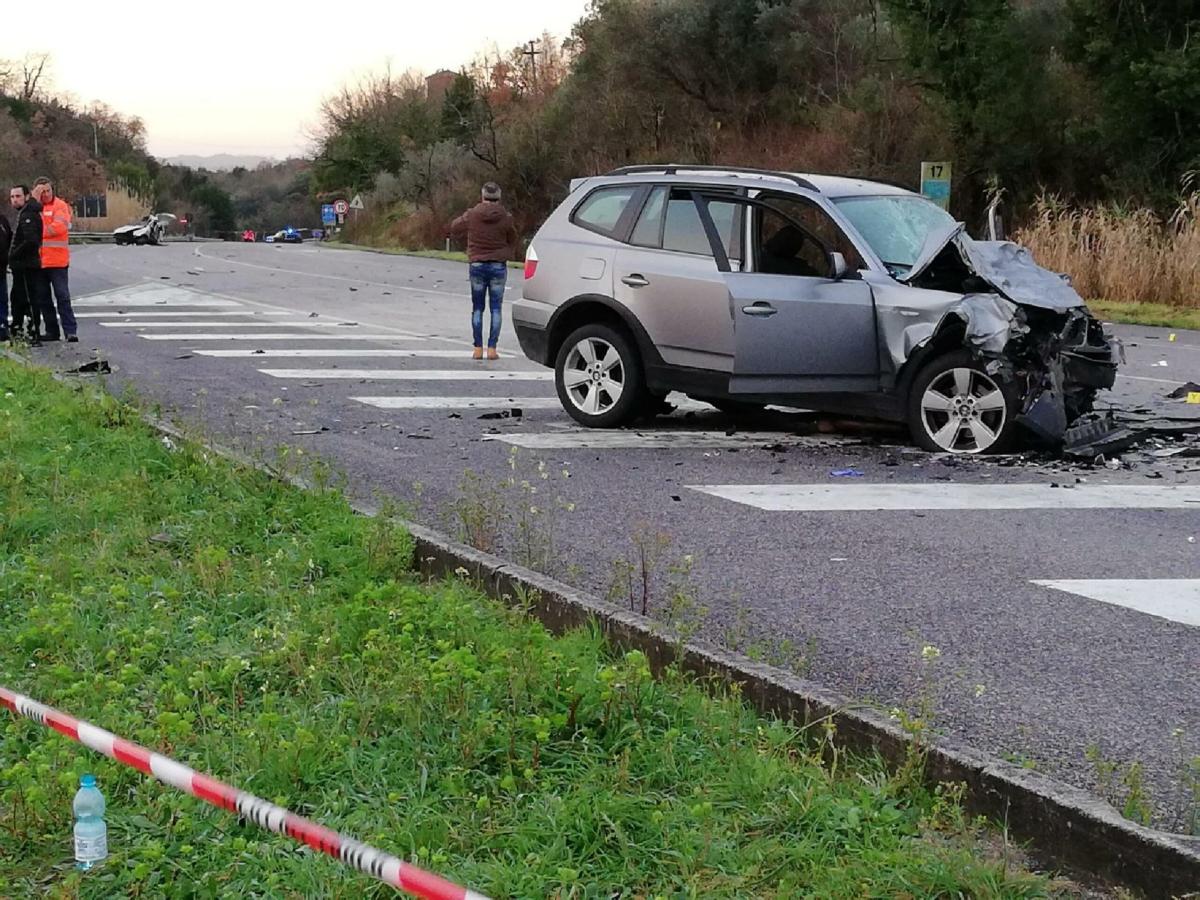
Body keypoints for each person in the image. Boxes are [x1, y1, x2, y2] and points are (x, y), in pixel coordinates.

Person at [448, 182, 518, 360]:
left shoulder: (472, 214)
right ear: (499, 197)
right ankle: (492, 348)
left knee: (478, 308)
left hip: (477, 264)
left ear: (482, 196)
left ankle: (477, 349)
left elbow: (454, 227)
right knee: (496, 308)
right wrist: (506, 252)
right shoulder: (506, 217)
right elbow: (513, 238)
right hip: (498, 266)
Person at [32, 177, 77, 342]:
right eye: (40, 191)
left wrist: (37, 229)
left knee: (62, 297)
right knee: (43, 298)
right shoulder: (34, 208)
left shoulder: (60, 206)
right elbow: (26, 227)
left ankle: (70, 331)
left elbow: (59, 227)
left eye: (47, 191)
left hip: (58, 262)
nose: (44, 194)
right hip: (40, 262)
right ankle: (52, 331)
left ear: (53, 190)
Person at [8, 185, 45, 344]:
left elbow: (31, 241)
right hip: (21, 265)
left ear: (27, 196)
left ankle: (33, 331)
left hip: (26, 265)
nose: (15, 200)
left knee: (29, 299)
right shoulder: (24, 213)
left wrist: (13, 255)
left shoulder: (28, 214)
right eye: (12, 197)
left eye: (18, 196)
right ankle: (18, 329)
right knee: (17, 298)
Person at [0, 207, 11, 341]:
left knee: (2, 301)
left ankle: (3, 328)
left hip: (1, 269)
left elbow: (9, 240)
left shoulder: (3, 221)